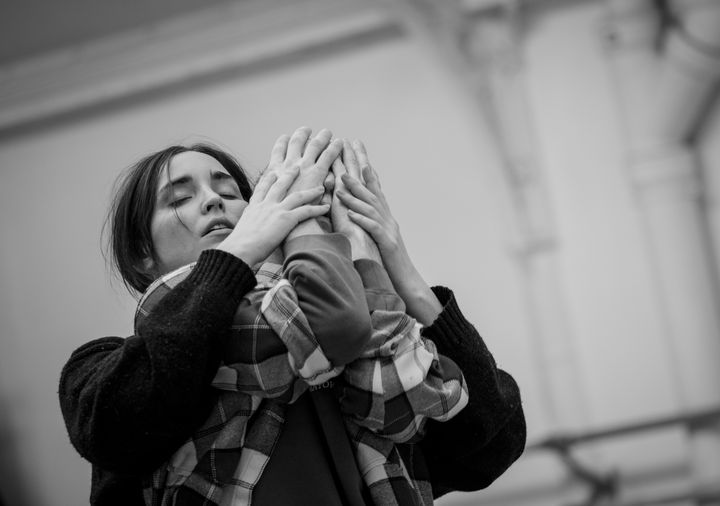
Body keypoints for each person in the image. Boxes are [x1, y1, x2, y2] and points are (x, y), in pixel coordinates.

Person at [59, 127, 526, 505]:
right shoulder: (103, 367)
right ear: (141, 254)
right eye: (180, 198)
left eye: (231, 190)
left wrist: (399, 270)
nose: (215, 200)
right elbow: (120, 425)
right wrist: (239, 254)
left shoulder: (372, 342)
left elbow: (492, 446)